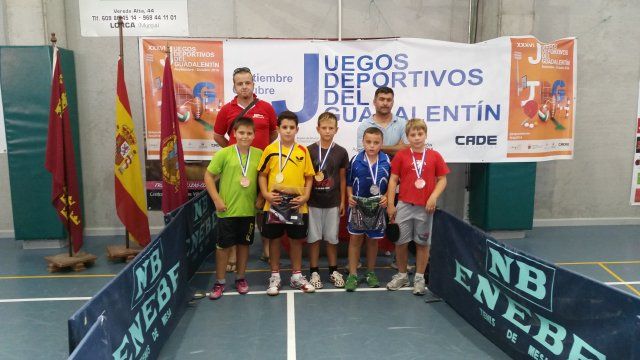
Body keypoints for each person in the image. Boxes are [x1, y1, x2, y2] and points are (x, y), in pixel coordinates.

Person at [213, 67, 278, 271]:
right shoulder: (227, 109)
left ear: (253, 84)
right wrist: (232, 154)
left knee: (261, 207)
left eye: (247, 83)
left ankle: (266, 248)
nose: (244, 87)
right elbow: (217, 136)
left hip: (261, 169)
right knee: (236, 210)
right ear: (234, 86)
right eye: (240, 83)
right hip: (237, 171)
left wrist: (260, 155)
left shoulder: (266, 108)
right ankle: (232, 252)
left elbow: (274, 134)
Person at [386, 119, 449, 295]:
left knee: (422, 243)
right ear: (407, 137)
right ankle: (402, 274)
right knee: (400, 242)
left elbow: (443, 179)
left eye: (420, 134)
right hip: (404, 205)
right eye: (412, 135)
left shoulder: (434, 156)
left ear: (425, 135)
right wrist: (391, 204)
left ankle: (419, 278)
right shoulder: (402, 156)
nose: (416, 138)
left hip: (425, 208)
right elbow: (393, 180)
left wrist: (433, 197)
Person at [258, 111, 316, 296]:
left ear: (297, 129)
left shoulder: (303, 151)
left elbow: (309, 177)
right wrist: (266, 194)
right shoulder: (269, 150)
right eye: (284, 127)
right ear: (278, 129)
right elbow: (262, 174)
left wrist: (306, 196)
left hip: (297, 204)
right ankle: (275, 275)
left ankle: (296, 275)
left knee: (296, 241)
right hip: (273, 203)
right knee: (274, 240)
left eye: (292, 128)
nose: (288, 131)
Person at [204, 117, 263, 299]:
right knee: (223, 247)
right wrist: (217, 200)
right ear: (234, 134)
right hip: (226, 210)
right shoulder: (224, 154)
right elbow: (208, 176)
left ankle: (240, 278)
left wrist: (261, 197)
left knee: (244, 245)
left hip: (248, 211)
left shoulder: (259, 154)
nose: (245, 136)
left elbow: (264, 178)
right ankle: (220, 281)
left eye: (249, 133)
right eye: (241, 133)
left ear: (254, 135)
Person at [345, 127, 391, 292]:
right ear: (363, 142)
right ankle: (352, 274)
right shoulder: (355, 159)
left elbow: (393, 184)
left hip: (377, 207)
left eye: (376, 142)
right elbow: (349, 183)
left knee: (372, 242)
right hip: (357, 206)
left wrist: (386, 196)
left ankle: (371, 272)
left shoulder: (387, 160)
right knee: (355, 241)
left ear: (381, 143)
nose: (372, 146)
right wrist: (350, 196)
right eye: (368, 142)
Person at [307, 112, 349, 289]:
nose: (327, 131)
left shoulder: (341, 152)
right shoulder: (309, 150)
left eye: (331, 128)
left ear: (336, 130)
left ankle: (333, 270)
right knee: (314, 238)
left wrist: (342, 201)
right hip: (313, 202)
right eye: (324, 128)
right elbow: (307, 177)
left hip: (333, 202)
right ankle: (314, 271)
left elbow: (343, 178)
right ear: (317, 129)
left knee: (332, 239)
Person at [356, 87, 408, 156]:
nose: (385, 103)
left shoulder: (403, 124)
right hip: (374, 167)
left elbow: (407, 151)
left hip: (397, 166)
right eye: (382, 99)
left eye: (389, 100)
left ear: (393, 103)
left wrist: (375, 147)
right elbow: (363, 153)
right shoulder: (364, 126)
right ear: (374, 102)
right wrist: (396, 147)